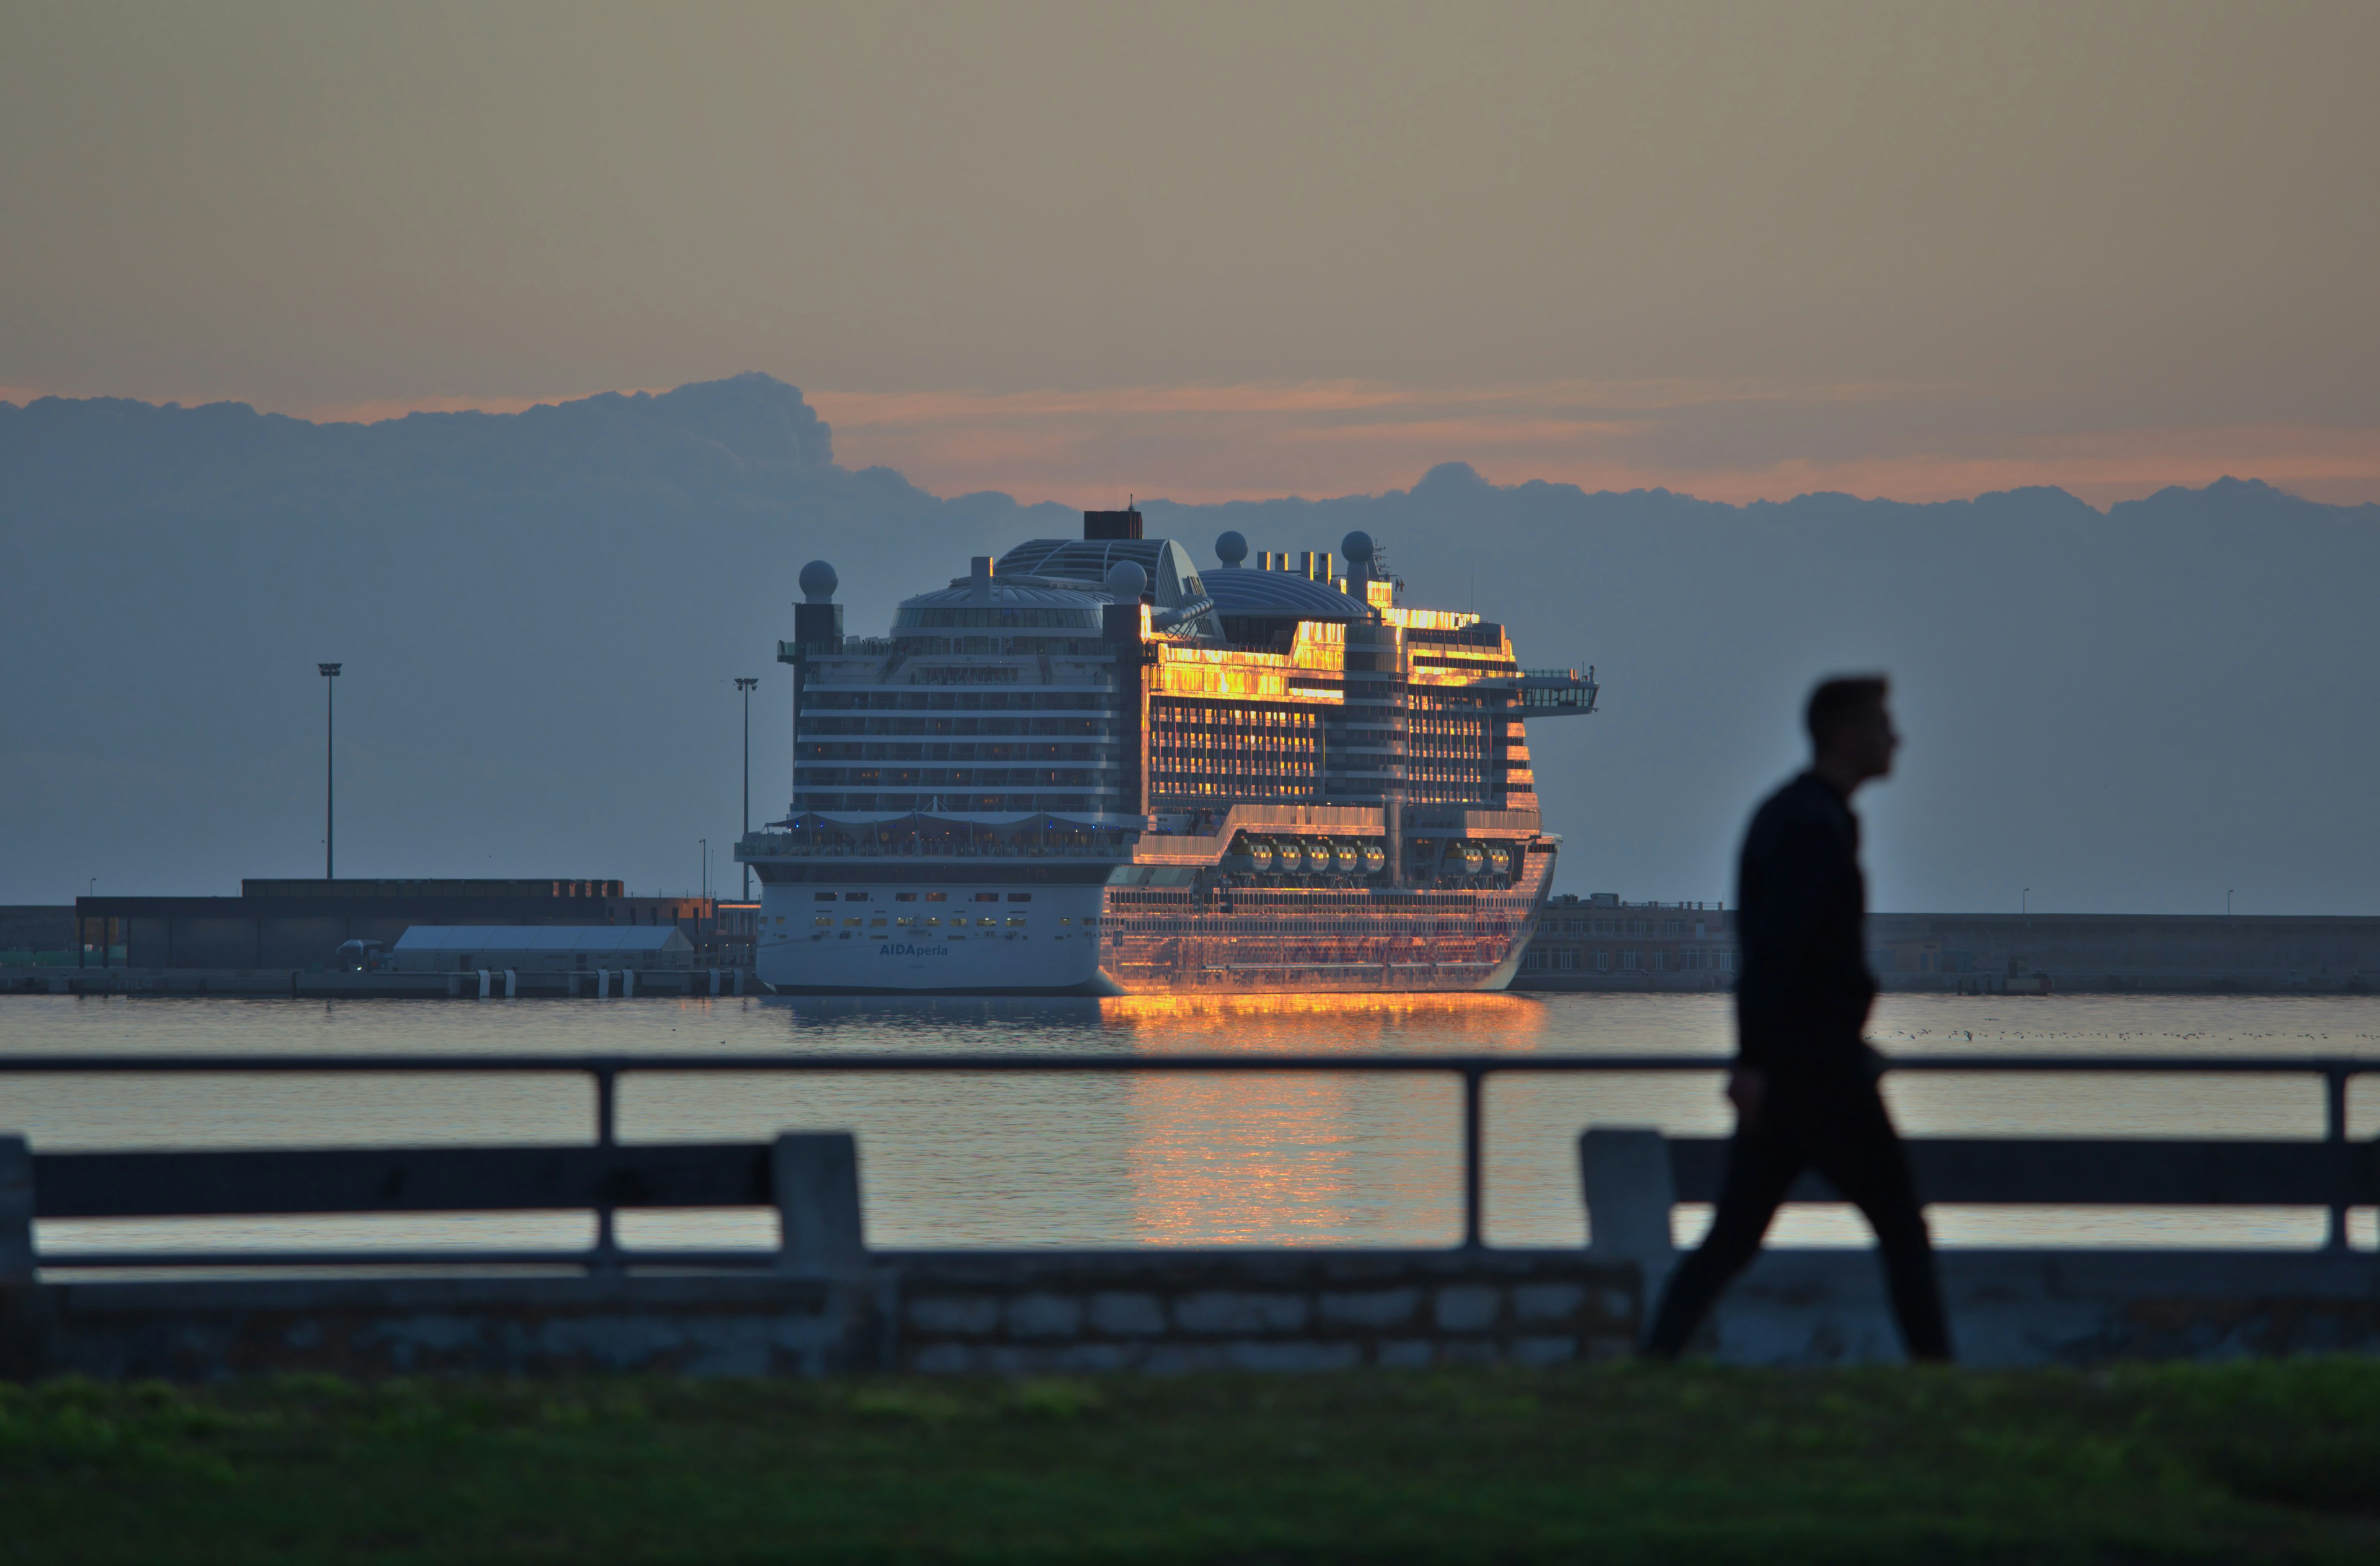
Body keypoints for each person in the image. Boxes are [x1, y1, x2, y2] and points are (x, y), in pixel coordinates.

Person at [1644, 675, 1953, 1362]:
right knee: (1901, 1229)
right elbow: (1778, 949)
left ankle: (1653, 1362)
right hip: (1817, 1068)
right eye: (1882, 725)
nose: (1895, 738)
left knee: (1732, 1239)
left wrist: (1756, 1059)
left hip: (1796, 1065)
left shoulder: (1801, 814)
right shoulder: (1813, 825)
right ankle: (1940, 1377)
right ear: (1846, 736)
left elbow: (1773, 952)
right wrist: (1755, 1060)